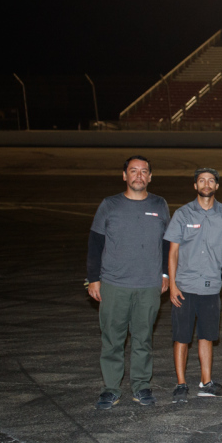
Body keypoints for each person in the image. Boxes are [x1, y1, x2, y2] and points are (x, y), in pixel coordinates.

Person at [87, 155, 170, 409]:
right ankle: (111, 388)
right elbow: (95, 243)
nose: (138, 175)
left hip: (148, 285)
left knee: (143, 339)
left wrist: (165, 274)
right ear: (124, 176)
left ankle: (141, 386)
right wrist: (93, 279)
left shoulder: (160, 204)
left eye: (144, 171)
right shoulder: (109, 205)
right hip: (114, 284)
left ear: (150, 177)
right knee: (112, 339)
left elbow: (168, 244)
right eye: (133, 171)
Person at [164, 167, 222, 402]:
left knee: (207, 336)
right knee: (182, 337)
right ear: (195, 186)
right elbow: (172, 252)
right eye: (201, 180)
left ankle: (206, 381)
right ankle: (181, 383)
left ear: (216, 186)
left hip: (211, 287)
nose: (206, 184)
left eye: (211, 180)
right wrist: (172, 285)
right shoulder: (183, 214)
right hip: (185, 286)